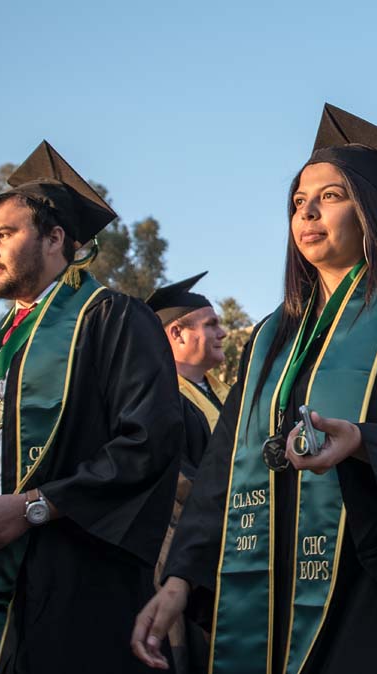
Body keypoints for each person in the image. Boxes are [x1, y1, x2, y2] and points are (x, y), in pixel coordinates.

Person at [132, 103, 377, 673]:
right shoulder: (271, 336)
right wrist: (182, 576)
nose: (307, 212)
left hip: (373, 591)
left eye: (330, 196)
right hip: (267, 595)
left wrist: (364, 442)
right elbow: (224, 470)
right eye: (297, 202)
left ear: (372, 211)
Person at [0, 141, 184, 674]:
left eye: (4, 234)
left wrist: (33, 507)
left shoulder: (112, 317)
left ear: (54, 238)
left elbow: (148, 441)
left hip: (78, 571)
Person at [146, 273, 230, 674]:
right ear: (177, 333)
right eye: (211, 324)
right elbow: (177, 479)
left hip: (224, 549)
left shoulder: (217, 396)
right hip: (181, 557)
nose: (223, 332)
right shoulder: (158, 400)